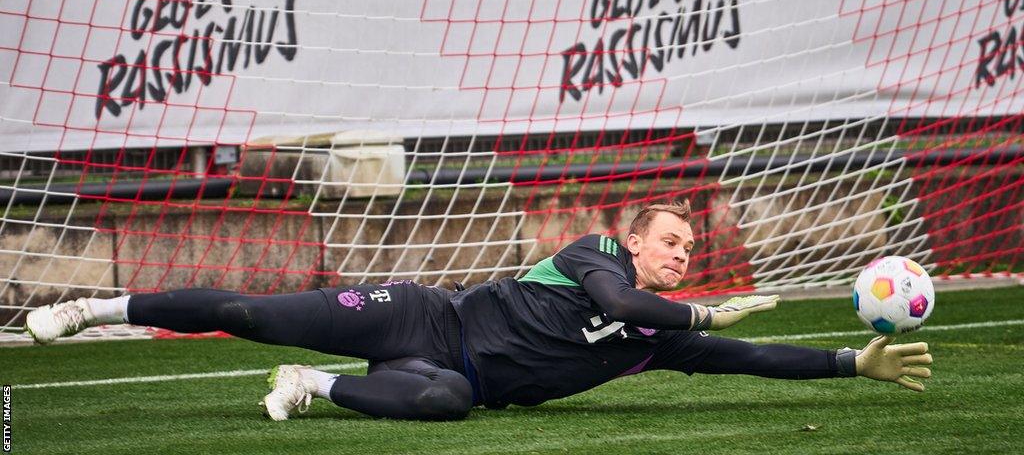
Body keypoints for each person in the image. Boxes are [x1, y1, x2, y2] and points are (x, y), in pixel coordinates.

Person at [24, 201, 932, 421]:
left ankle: (312, 386)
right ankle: (93, 307)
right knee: (252, 310)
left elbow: (751, 358)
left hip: (448, 374)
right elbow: (620, 299)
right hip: (422, 318)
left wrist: (855, 363)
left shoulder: (660, 338)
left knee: (449, 407)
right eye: (670, 243)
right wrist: (697, 314)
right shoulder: (601, 257)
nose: (679, 253)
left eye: (690, 250)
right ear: (637, 238)